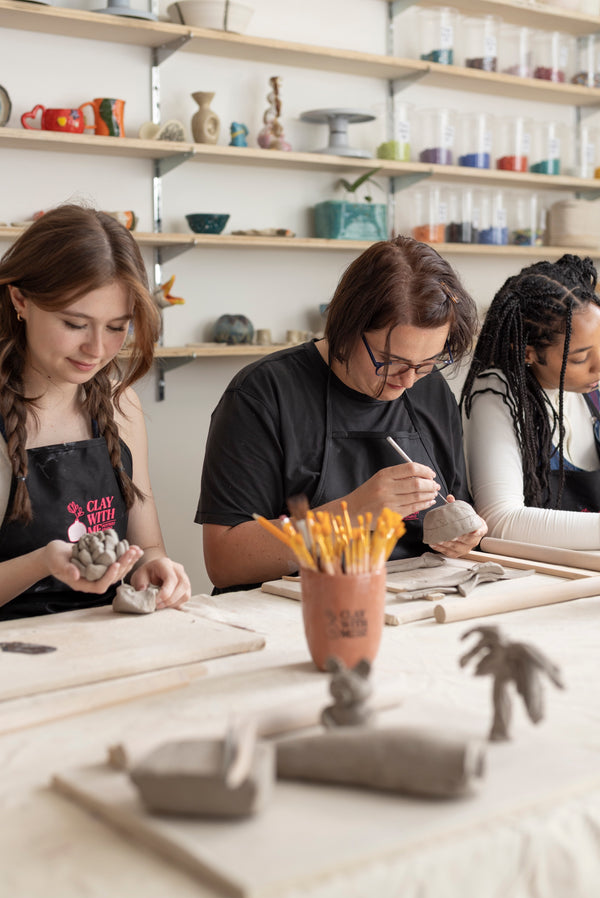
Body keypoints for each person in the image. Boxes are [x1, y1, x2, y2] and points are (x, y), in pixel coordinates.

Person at [197, 234, 487, 592]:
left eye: (427, 363)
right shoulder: (263, 394)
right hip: (293, 615)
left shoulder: (431, 389)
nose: (409, 381)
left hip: (410, 601)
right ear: (348, 327)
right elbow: (226, 562)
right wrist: (352, 514)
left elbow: (453, 506)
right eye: (390, 361)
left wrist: (458, 537)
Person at [0, 204, 191, 620]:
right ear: (20, 299)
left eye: (116, 326)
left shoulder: (121, 406)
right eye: (74, 324)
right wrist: (43, 563)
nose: (98, 350)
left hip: (104, 641)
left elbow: (147, 545)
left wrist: (154, 567)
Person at [461, 253, 600, 549]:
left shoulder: (594, 389)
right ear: (527, 352)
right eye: (580, 358)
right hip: (538, 578)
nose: (598, 367)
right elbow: (501, 519)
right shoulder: (497, 394)